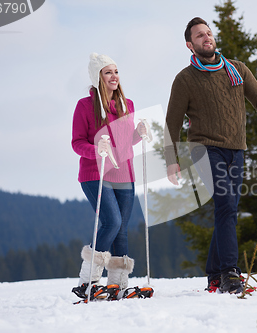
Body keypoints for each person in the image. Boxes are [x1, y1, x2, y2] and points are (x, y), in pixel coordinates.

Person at [164, 17, 257, 294]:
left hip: (236, 150)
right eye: (199, 35)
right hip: (204, 149)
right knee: (227, 205)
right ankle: (230, 272)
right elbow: (172, 123)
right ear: (190, 45)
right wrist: (171, 161)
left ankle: (214, 275)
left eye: (208, 33)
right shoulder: (185, 79)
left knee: (227, 209)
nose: (207, 37)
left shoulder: (236, 70)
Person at [71, 53, 146, 300]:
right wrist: (96, 150)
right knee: (111, 222)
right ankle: (88, 282)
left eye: (116, 71)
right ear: (98, 77)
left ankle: (118, 285)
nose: (114, 76)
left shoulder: (128, 105)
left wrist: (138, 134)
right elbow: (77, 142)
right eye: (108, 72)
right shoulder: (84, 106)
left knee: (122, 230)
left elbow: (123, 143)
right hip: (96, 173)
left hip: (124, 173)